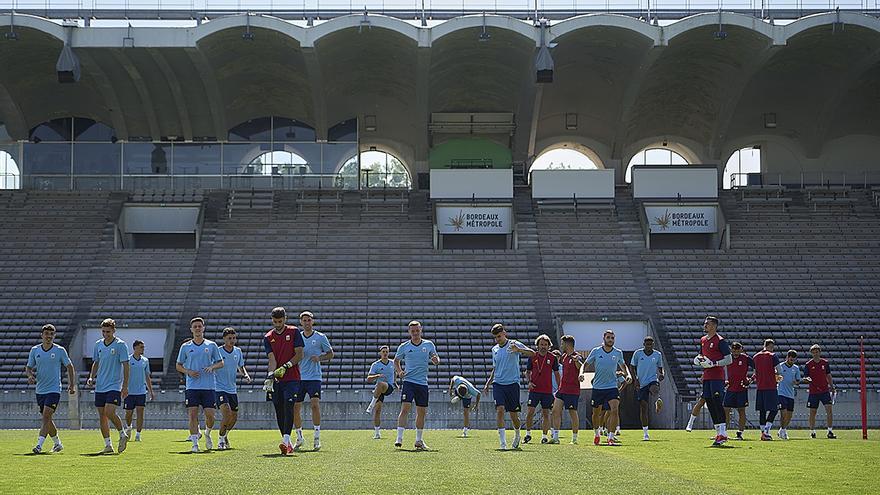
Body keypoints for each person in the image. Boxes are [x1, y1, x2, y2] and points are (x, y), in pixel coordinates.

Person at [482, 324, 534, 450]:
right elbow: (495, 367)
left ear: (504, 333)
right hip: (498, 383)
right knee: (500, 410)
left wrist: (519, 350)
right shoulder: (494, 350)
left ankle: (517, 434)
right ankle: (503, 443)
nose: (498, 339)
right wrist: (488, 382)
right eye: (495, 337)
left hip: (512, 384)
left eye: (499, 336)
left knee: (513, 415)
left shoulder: (514, 344)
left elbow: (532, 353)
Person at [25, 324, 76, 454]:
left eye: (51, 334)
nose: (49, 337)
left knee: (46, 416)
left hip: (54, 389)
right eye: (46, 334)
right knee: (47, 419)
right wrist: (30, 376)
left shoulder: (59, 350)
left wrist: (71, 384)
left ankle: (39, 445)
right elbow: (29, 367)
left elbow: (69, 366)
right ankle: (58, 443)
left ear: (54, 336)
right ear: (42, 335)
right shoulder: (35, 350)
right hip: (40, 390)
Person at [176, 317, 224, 453]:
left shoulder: (211, 345)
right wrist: (188, 371)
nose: (197, 328)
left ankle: (207, 433)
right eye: (195, 327)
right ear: (191, 329)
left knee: (210, 416)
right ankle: (194, 444)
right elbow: (178, 365)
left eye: (199, 326)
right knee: (192, 415)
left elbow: (221, 362)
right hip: (192, 386)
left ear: (203, 328)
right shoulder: (185, 347)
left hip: (209, 386)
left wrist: (212, 367)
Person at [264, 307, 304, 455]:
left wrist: (287, 365)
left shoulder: (294, 332)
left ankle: (286, 441)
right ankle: (286, 443)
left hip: (292, 377)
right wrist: (270, 375)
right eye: (275, 322)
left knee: (289, 404)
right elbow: (272, 359)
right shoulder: (268, 337)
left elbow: (299, 354)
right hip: (278, 379)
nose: (278, 324)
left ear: (285, 319)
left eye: (280, 321)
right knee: (279, 410)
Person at [87, 318, 130, 454]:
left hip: (114, 385)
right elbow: (96, 362)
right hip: (100, 385)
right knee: (102, 416)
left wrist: (125, 386)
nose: (106, 334)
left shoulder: (120, 345)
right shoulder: (98, 345)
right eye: (104, 331)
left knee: (109, 412)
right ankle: (108, 445)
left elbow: (126, 366)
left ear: (114, 331)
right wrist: (91, 377)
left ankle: (122, 434)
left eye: (108, 332)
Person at [395, 321, 440, 450]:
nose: (415, 333)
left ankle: (418, 440)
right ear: (409, 332)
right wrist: (399, 372)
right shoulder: (404, 346)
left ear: (421, 330)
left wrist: (436, 360)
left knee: (421, 412)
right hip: (409, 382)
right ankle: (399, 438)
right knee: (405, 409)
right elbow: (396, 361)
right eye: (412, 331)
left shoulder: (428, 344)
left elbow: (435, 357)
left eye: (417, 330)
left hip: (422, 383)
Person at [293, 311, 334, 451]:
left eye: (309, 320)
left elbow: (331, 354)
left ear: (313, 321)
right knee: (295, 408)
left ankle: (317, 438)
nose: (307, 322)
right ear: (301, 322)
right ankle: (299, 437)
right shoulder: (296, 337)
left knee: (315, 405)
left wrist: (320, 358)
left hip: (314, 377)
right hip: (298, 377)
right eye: (304, 320)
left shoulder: (320, 337)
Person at [586, 330, 630, 446]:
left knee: (614, 410)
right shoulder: (596, 351)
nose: (610, 340)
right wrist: (581, 373)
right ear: (604, 338)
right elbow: (586, 364)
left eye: (612, 338)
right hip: (598, 387)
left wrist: (628, 375)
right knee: (596, 414)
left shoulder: (618, 352)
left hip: (612, 386)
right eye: (608, 337)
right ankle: (597, 434)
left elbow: (623, 365)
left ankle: (610, 437)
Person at [694, 315, 733, 446]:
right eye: (705, 323)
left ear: (714, 326)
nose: (705, 325)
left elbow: (729, 359)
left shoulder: (720, 341)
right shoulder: (703, 340)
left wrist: (714, 363)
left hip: (717, 377)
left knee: (717, 403)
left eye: (708, 324)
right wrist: (698, 359)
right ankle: (718, 433)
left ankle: (723, 433)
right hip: (707, 377)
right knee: (710, 404)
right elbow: (702, 355)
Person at [215, 327, 251, 450]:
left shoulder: (238, 351)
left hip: (232, 389)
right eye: (229, 338)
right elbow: (212, 365)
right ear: (224, 339)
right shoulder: (218, 351)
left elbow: (241, 366)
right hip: (219, 388)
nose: (232, 340)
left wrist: (245, 374)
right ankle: (220, 441)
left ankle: (225, 435)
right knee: (226, 414)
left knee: (234, 417)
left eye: (234, 338)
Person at [548, 335, 585, 444]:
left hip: (572, 390)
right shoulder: (564, 356)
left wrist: (577, 362)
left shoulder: (576, 356)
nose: (561, 345)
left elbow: (580, 365)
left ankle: (574, 438)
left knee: (572, 413)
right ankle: (555, 437)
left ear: (568, 344)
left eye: (563, 343)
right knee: (555, 411)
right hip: (562, 389)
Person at [524, 334, 560, 444]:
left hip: (547, 391)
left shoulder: (553, 358)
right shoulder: (532, 357)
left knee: (546, 413)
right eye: (541, 344)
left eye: (545, 344)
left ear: (549, 346)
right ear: (537, 345)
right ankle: (528, 434)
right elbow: (527, 372)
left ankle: (544, 436)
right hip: (534, 390)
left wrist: (559, 387)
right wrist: (529, 382)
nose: (543, 346)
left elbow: (557, 374)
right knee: (530, 412)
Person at [630, 336, 664, 441]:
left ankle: (657, 399)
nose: (649, 346)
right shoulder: (638, 353)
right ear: (644, 344)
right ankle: (645, 433)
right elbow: (632, 366)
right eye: (647, 344)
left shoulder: (657, 354)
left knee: (654, 388)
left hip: (652, 379)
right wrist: (635, 379)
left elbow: (661, 368)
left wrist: (662, 374)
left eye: (651, 344)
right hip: (641, 383)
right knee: (643, 408)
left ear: (653, 345)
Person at [123, 340, 155, 442]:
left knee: (140, 412)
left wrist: (150, 391)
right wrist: (123, 388)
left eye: (143, 347)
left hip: (141, 391)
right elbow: (123, 375)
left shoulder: (145, 360)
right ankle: (128, 427)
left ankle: (138, 434)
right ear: (135, 348)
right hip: (129, 391)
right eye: (141, 347)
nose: (143, 349)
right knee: (128, 413)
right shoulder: (127, 359)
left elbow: (147, 376)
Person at [803, 344, 836, 439]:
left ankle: (830, 431)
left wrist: (832, 386)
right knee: (813, 412)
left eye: (816, 352)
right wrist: (807, 379)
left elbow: (828, 375)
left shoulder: (825, 363)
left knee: (829, 410)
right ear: (811, 353)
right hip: (813, 392)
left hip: (825, 391)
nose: (815, 354)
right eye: (813, 352)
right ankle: (812, 432)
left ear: (819, 352)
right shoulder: (808, 364)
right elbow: (805, 377)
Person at [752, 339, 781, 441]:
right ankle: (766, 431)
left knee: (762, 411)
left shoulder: (755, 357)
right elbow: (779, 370)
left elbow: (755, 372)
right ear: (770, 346)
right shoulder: (773, 356)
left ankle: (763, 433)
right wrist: (776, 376)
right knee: (774, 409)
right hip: (771, 386)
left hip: (760, 387)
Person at [722, 342, 752, 440]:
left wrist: (751, 379)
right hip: (730, 388)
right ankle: (723, 433)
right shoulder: (728, 358)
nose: (735, 353)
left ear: (741, 350)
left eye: (738, 350)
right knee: (726, 410)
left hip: (741, 389)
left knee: (741, 410)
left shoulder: (746, 358)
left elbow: (758, 368)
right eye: (734, 350)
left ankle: (740, 433)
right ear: (731, 350)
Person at [366, 345, 396, 439]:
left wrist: (396, 383)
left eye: (387, 352)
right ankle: (377, 433)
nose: (385, 353)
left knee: (380, 384)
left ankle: (371, 405)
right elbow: (368, 378)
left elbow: (395, 373)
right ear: (380, 353)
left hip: (389, 387)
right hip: (379, 390)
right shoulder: (375, 365)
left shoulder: (393, 363)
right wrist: (377, 375)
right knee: (378, 410)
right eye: (383, 352)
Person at [776, 349, 802, 440]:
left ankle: (782, 429)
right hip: (781, 392)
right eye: (790, 359)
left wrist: (796, 382)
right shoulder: (780, 366)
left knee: (789, 415)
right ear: (787, 357)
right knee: (783, 412)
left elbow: (798, 380)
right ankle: (783, 431)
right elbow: (775, 376)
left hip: (790, 394)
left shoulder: (796, 368)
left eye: (793, 360)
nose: (792, 361)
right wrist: (777, 378)